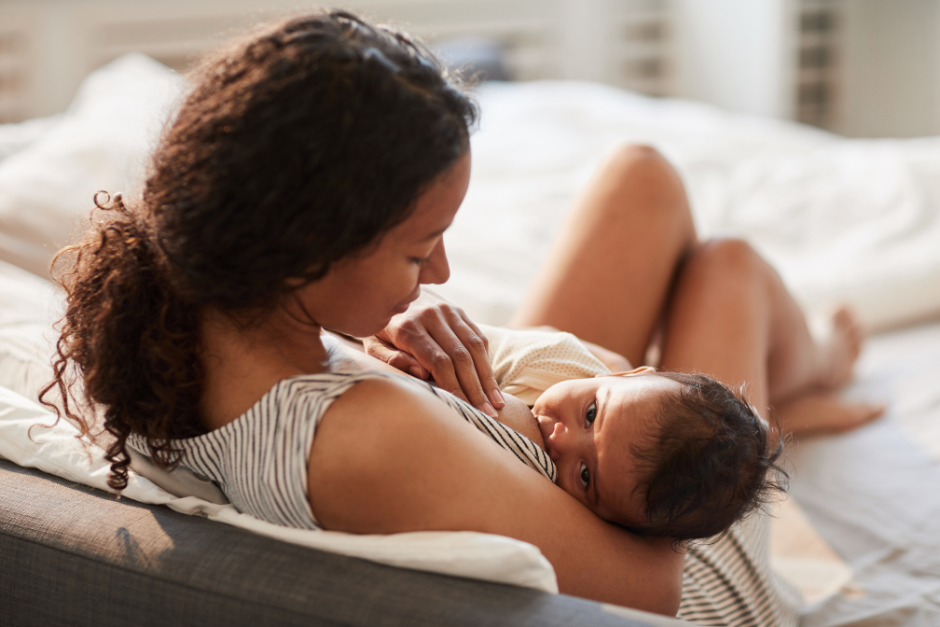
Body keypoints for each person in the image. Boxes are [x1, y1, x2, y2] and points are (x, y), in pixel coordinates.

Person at [40, 9, 883, 623]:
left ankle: (783, 387)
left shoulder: (183, 312)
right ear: (308, 245)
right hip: (676, 545)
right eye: (418, 250)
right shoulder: (367, 437)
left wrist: (377, 341)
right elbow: (653, 589)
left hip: (535, 443)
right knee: (727, 265)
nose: (440, 272)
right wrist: (635, 420)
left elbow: (439, 431)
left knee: (641, 178)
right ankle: (796, 384)